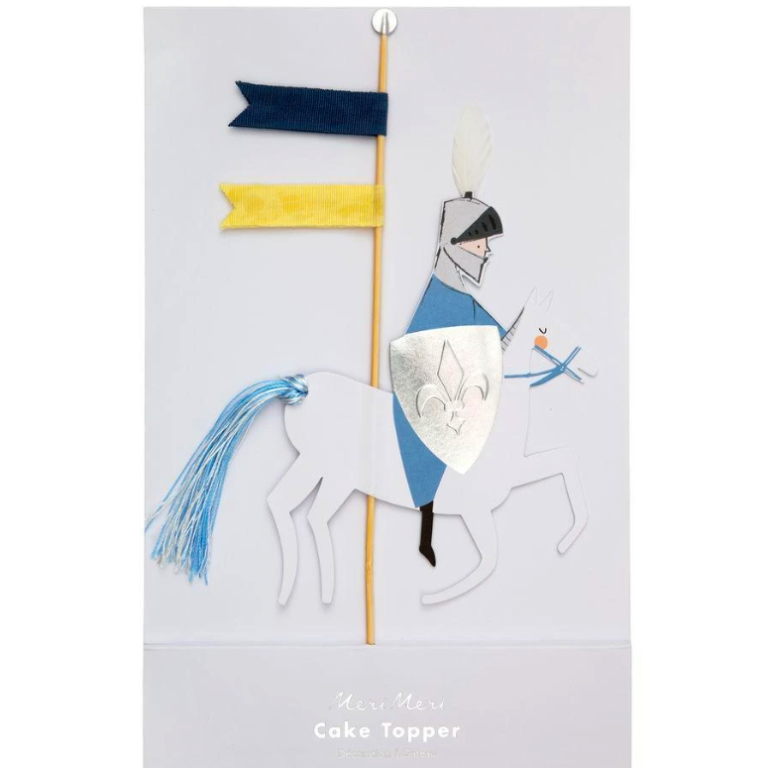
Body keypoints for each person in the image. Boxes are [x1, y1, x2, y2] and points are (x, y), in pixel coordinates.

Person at [393, 193, 515, 566]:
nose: (486, 252)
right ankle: (426, 533)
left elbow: (500, 342)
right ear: (454, 244)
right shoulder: (439, 301)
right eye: (479, 244)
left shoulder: (463, 301)